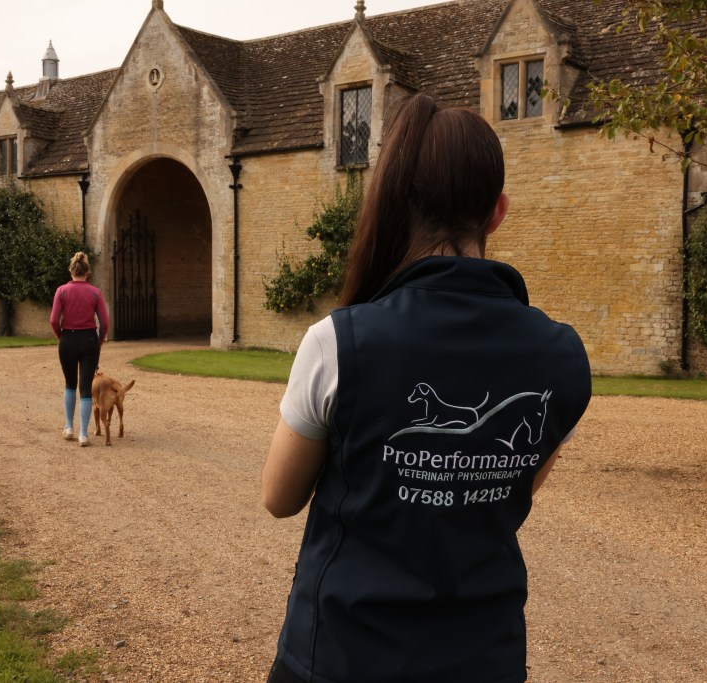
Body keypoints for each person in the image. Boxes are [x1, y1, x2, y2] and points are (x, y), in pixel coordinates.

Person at [261, 94, 591, 683]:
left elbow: (280, 497)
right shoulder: (562, 358)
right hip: (483, 658)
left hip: (341, 655)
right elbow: (507, 496)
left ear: (396, 205)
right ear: (497, 212)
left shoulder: (337, 342)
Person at [50, 251, 109, 446]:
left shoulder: (61, 291)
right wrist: (99, 341)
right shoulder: (95, 292)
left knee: (70, 384)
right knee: (85, 388)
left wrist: (61, 336)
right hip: (89, 340)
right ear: (87, 272)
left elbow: (53, 320)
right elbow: (105, 322)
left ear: (71, 270)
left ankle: (69, 427)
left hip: (68, 338)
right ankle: (83, 434)